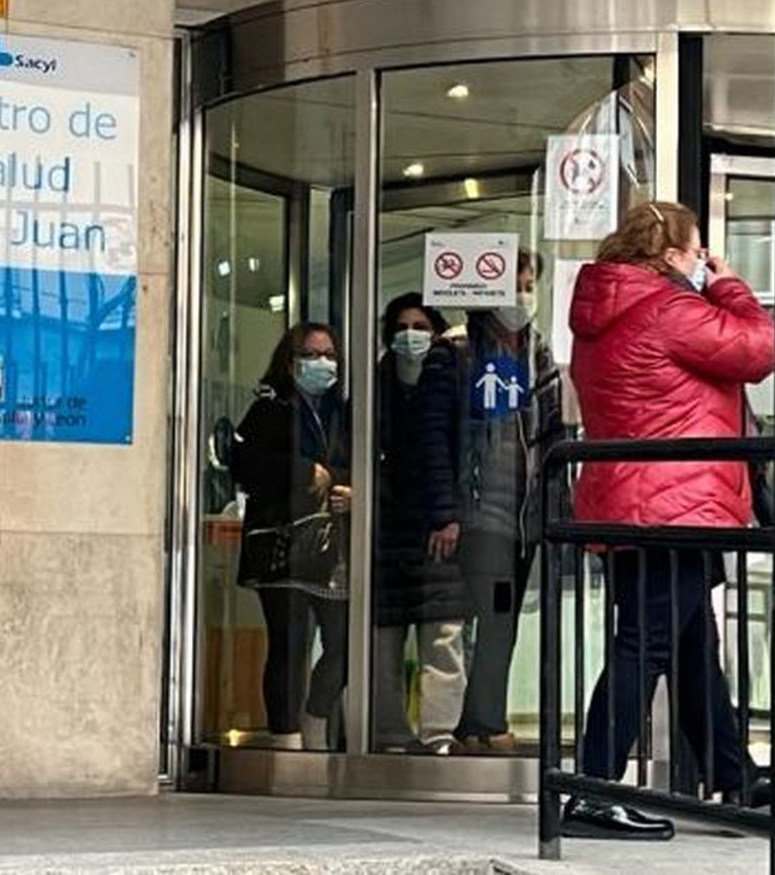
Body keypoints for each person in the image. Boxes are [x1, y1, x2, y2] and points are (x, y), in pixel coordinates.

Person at [562, 202, 775, 840]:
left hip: (635, 502)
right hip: (675, 503)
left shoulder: (605, 311)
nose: (703, 259)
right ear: (673, 252)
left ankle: (735, 777)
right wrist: (730, 283)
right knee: (649, 644)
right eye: (698, 248)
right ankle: (593, 790)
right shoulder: (668, 308)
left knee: (690, 649)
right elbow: (759, 349)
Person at [419, 251, 566, 754]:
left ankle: (479, 723)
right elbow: (433, 438)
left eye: (530, 285)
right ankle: (480, 723)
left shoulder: (537, 353)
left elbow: (550, 436)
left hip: (523, 518)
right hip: (480, 515)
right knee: (491, 615)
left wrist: (554, 513)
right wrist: (445, 512)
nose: (524, 296)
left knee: (502, 619)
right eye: (515, 286)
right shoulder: (456, 352)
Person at [230, 323, 352, 751]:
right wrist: (303, 473)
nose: (323, 363)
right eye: (312, 354)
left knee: (344, 646)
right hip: (282, 547)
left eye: (330, 354)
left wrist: (345, 485)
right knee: (289, 645)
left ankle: (316, 720)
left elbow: (369, 462)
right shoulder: (270, 408)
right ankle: (285, 736)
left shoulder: (345, 411)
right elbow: (244, 464)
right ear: (291, 361)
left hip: (331, 548)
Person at [372, 294, 472, 754]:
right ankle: (389, 730)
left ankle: (438, 733)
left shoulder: (450, 375)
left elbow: (446, 450)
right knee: (386, 638)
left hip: (436, 524)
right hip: (389, 528)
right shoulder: (378, 382)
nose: (410, 335)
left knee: (442, 634)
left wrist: (446, 514)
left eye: (420, 325)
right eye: (402, 326)